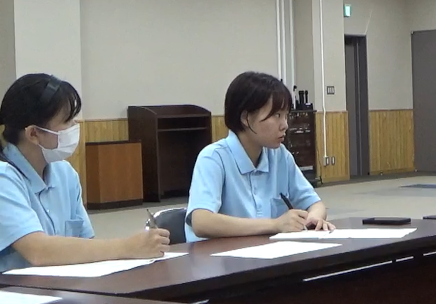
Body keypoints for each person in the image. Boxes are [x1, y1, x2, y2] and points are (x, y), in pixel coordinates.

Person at [0, 73, 169, 273]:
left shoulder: (65, 173)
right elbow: (38, 251)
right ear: (34, 134)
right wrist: (127, 247)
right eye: (67, 121)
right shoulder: (4, 178)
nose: (75, 127)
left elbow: (86, 243)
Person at [185, 72, 334, 242]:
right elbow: (202, 222)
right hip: (217, 256)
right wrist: (275, 224)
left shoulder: (280, 156)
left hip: (266, 252)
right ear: (246, 118)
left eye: (286, 116)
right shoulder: (213, 158)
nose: (285, 125)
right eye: (277, 115)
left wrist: (313, 218)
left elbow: (315, 204)